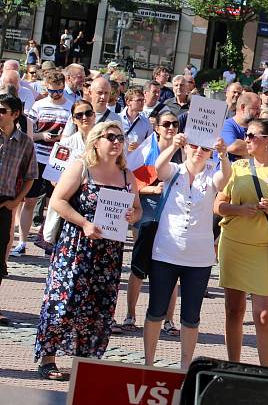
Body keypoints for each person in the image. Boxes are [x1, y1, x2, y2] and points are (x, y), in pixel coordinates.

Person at [35, 121, 141, 381]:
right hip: (76, 248)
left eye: (120, 138)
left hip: (108, 253)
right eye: (111, 137)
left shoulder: (127, 175)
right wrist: (84, 223)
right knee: (64, 301)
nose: (117, 142)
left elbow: (138, 209)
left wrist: (131, 215)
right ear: (96, 140)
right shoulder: (82, 167)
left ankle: (86, 362)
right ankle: (48, 359)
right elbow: (58, 200)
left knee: (98, 306)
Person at [215, 118, 268, 366]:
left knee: (263, 315)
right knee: (234, 310)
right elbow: (218, 206)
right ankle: (234, 365)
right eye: (246, 135)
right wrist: (240, 210)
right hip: (234, 244)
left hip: (265, 249)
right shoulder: (239, 167)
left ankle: (267, 371)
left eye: (252, 136)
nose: (247, 139)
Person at [143, 133, 231, 368]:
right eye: (194, 145)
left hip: (199, 258)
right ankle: (148, 363)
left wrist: (223, 155)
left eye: (204, 148)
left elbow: (225, 180)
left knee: (191, 318)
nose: (198, 151)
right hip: (166, 251)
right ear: (186, 147)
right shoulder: (175, 170)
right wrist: (173, 145)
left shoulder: (211, 175)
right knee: (156, 311)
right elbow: (158, 168)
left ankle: (184, 367)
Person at [122, 111, 182, 335]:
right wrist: (150, 189)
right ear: (156, 127)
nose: (170, 127)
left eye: (174, 123)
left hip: (172, 215)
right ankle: (130, 315)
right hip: (147, 213)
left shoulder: (183, 151)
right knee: (139, 266)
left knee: (170, 268)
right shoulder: (146, 150)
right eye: (166, 124)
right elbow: (129, 181)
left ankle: (168, 320)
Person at [12, 71, 73, 257]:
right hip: (38, 157)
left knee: (56, 203)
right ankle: (22, 242)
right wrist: (42, 136)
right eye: (52, 91)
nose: (56, 95)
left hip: (59, 161)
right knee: (29, 200)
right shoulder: (39, 106)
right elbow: (28, 132)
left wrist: (63, 138)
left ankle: (49, 241)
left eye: (59, 91)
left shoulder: (70, 107)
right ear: (46, 88)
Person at [0, 94, 38, 326]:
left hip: (4, 202)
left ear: (15, 115)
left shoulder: (25, 142)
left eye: (3, 110)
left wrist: (17, 201)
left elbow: (31, 176)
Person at [222, 92, 261, 162]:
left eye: (259, 108)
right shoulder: (226, 125)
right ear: (243, 107)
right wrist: (259, 150)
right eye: (256, 108)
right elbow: (234, 147)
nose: (259, 112)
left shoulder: (257, 128)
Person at [120, 86, 153, 153]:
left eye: (143, 100)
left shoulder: (146, 122)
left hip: (137, 160)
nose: (142, 103)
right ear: (128, 102)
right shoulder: (117, 119)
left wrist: (140, 147)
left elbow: (151, 145)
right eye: (138, 100)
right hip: (119, 159)